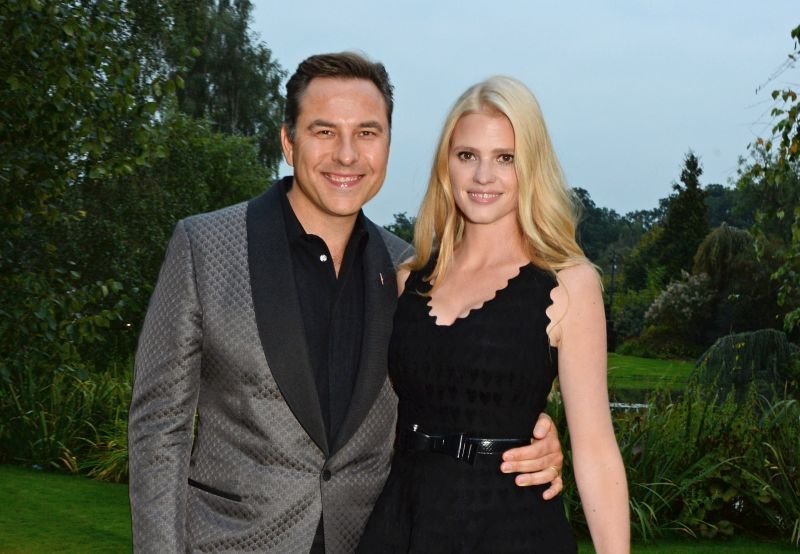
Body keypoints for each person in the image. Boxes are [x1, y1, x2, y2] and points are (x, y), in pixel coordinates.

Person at [128, 53, 566, 554]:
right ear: (288, 142)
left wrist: (526, 435)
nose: (347, 155)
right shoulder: (205, 246)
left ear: (387, 146)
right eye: (324, 131)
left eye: (367, 133)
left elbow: (443, 396)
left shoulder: (414, 274)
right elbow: (158, 428)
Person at [358, 76, 630, 553]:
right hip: (405, 524)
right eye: (467, 155)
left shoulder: (569, 285)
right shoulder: (408, 279)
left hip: (512, 529)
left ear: (531, 167)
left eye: (505, 158)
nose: (484, 175)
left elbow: (596, 450)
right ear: (446, 165)